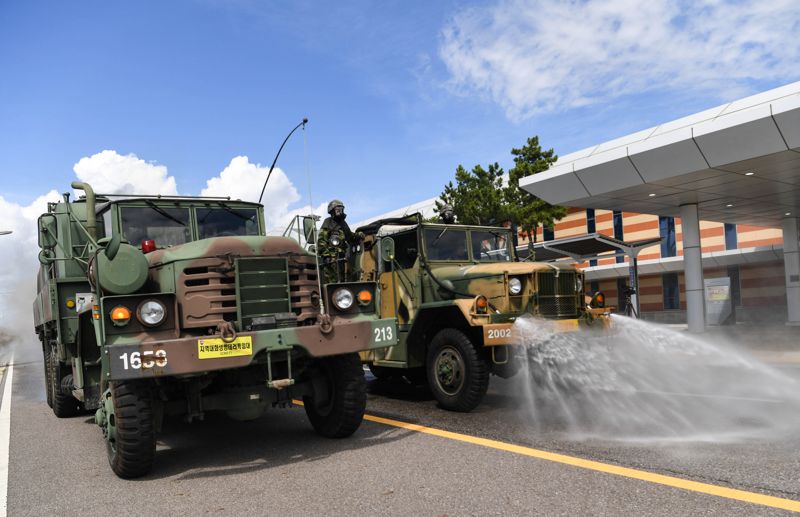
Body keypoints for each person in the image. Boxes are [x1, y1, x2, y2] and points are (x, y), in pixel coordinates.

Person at [318, 199, 355, 283]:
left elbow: (350, 236)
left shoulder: (343, 223)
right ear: (332, 210)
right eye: (337, 209)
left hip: (342, 257)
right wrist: (327, 256)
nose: (340, 211)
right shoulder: (328, 222)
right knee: (332, 281)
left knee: (342, 280)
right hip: (331, 258)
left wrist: (359, 235)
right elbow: (321, 241)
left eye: (341, 209)